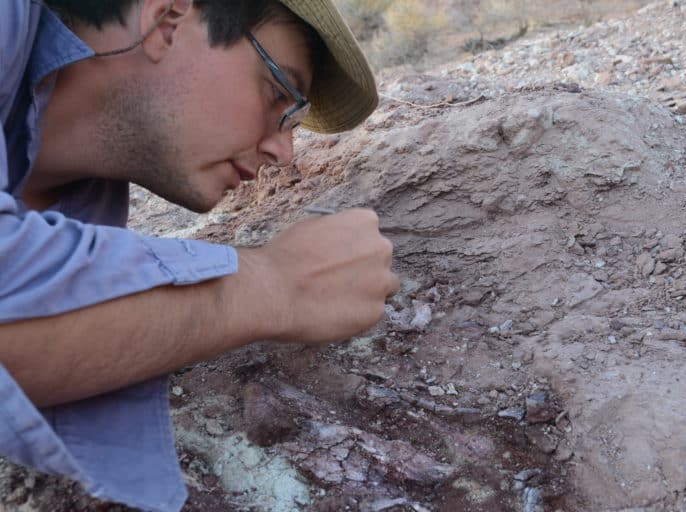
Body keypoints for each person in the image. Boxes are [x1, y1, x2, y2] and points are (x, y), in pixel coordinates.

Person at [0, 0, 399, 510]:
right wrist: (274, 287)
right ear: (168, 18)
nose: (284, 152)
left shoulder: (88, 206)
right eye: (278, 91)